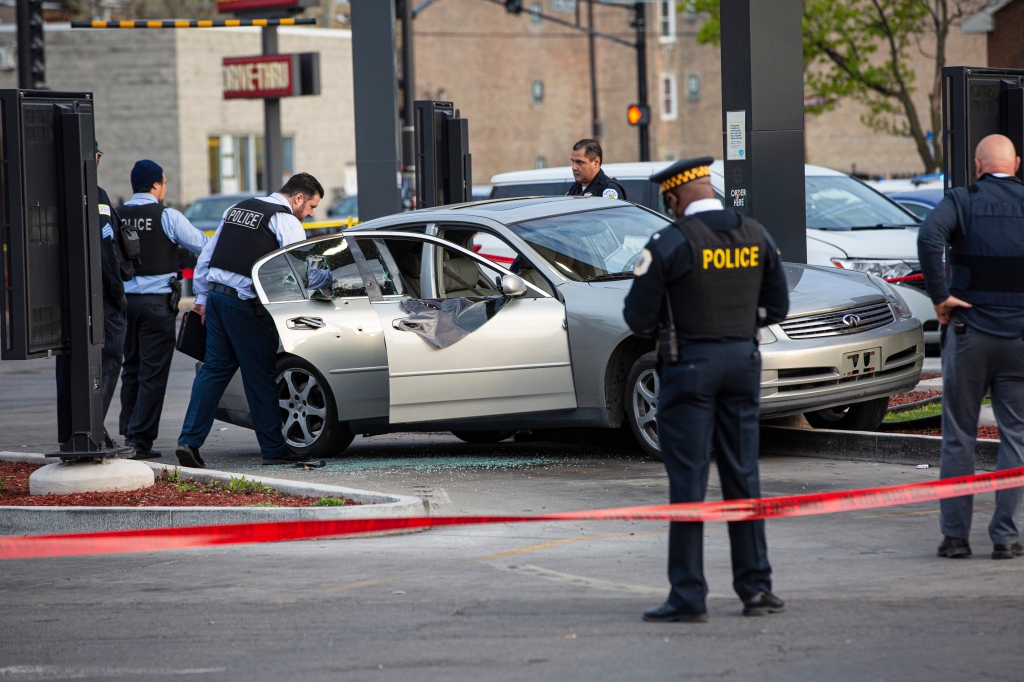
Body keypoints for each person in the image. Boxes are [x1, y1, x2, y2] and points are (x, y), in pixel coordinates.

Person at [623, 156, 790, 623]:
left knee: (689, 480)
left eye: (668, 201)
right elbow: (777, 304)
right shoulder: (755, 233)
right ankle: (756, 589)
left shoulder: (671, 242)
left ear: (674, 198)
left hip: (689, 368)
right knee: (743, 476)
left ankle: (688, 596)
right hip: (742, 362)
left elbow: (636, 317)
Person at [175, 173, 331, 468]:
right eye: (311, 206)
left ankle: (188, 442)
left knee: (214, 371)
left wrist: (202, 298)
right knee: (260, 376)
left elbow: (207, 255)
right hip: (244, 305)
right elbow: (300, 268)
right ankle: (273, 449)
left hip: (218, 299)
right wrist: (325, 286)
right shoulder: (286, 220)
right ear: (298, 198)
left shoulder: (238, 209)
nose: (310, 214)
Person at [917, 133, 1024, 561]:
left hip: (970, 335)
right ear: (1016, 163)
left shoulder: (962, 200)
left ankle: (956, 538)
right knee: (1015, 435)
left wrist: (941, 297)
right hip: (1018, 339)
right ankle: (1005, 536)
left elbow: (929, 238)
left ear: (978, 165)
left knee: (958, 436)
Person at [118, 160, 209, 458]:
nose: (165, 188)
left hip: (122, 306)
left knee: (130, 369)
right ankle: (139, 442)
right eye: (165, 183)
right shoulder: (167, 216)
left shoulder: (117, 216)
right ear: (156, 184)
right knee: (152, 374)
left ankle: (129, 432)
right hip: (157, 307)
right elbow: (202, 246)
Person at [55, 141, 128, 449]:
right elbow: (106, 248)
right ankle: (93, 429)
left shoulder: (55, 192)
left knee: (69, 365)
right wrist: (118, 293)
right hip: (99, 299)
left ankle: (71, 434)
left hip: (64, 296)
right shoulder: (96, 195)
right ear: (93, 157)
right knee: (110, 357)